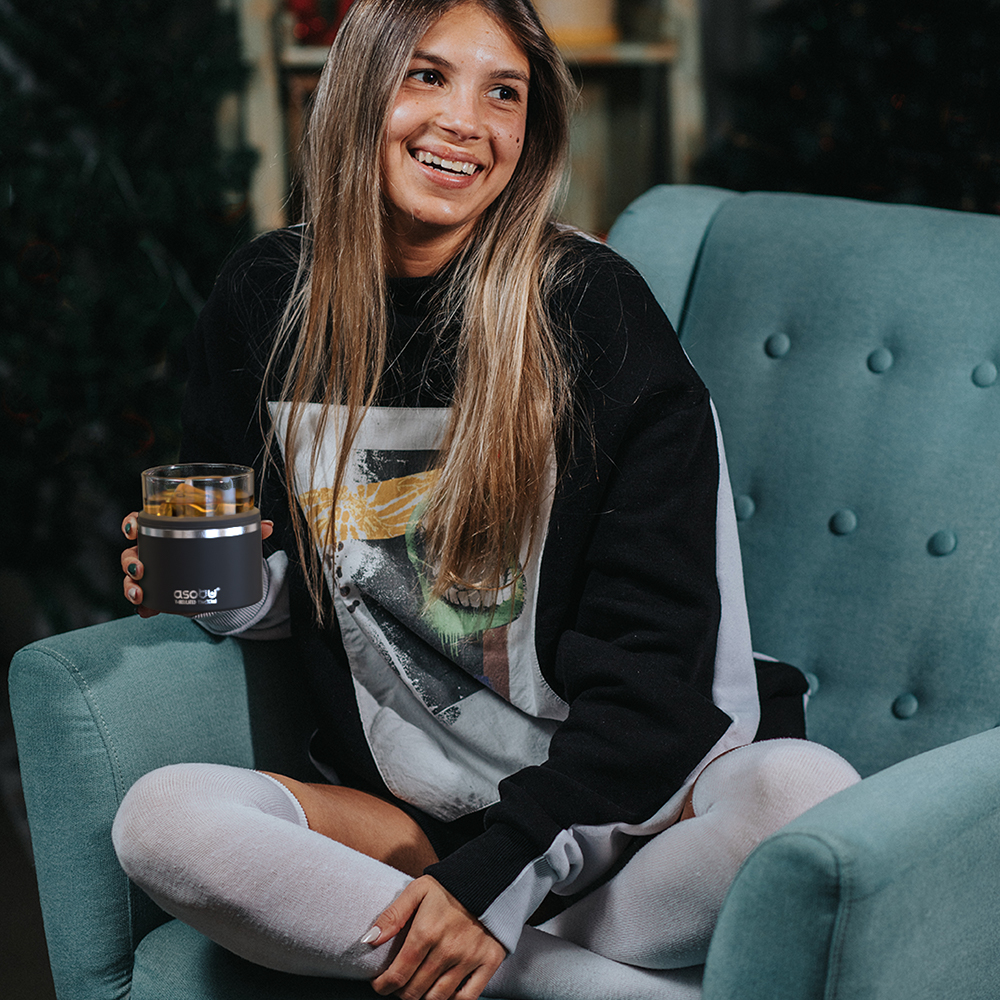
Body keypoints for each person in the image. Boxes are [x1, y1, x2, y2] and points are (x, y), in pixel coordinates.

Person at [114, 2, 860, 999]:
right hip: (418, 814)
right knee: (160, 818)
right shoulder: (267, 298)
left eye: (502, 92)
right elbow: (311, 575)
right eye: (425, 75)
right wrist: (217, 591)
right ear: (357, 91)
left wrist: (499, 874)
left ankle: (490, 938)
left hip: (636, 806)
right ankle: (561, 973)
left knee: (805, 791)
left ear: (529, 130)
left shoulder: (591, 309)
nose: (464, 121)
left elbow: (660, 668)